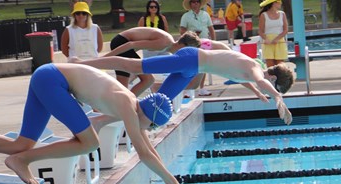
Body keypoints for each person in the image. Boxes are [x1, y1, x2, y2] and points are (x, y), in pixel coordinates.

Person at [0, 63, 188, 184]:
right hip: (53, 81)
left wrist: (91, 127)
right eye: (154, 126)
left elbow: (144, 146)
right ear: (149, 116)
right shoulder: (127, 105)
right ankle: (23, 161)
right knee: (90, 143)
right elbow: (143, 151)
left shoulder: (130, 109)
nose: (151, 131)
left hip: (48, 77)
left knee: (21, 144)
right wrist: (172, 181)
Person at [73, 46, 294, 125]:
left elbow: (249, 80)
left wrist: (258, 93)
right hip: (190, 59)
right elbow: (259, 79)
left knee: (156, 106)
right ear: (274, 80)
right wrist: (276, 96)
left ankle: (100, 120)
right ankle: (83, 64)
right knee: (136, 65)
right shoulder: (254, 68)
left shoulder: (252, 72)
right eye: (279, 88)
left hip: (191, 70)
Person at [85, 27, 201, 96]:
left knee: (123, 86)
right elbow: (131, 44)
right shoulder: (165, 43)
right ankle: (127, 104)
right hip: (122, 42)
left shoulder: (167, 45)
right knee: (148, 80)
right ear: (182, 44)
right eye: (188, 51)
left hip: (124, 44)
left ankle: (121, 103)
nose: (186, 56)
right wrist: (105, 58)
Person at [180, 0, 216, 97]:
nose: (195, 4)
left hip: (205, 42)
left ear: (200, 4)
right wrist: (191, 35)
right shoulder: (186, 16)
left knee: (204, 65)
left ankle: (202, 88)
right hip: (191, 43)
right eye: (193, 2)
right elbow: (182, 30)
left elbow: (211, 28)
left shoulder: (205, 14)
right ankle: (187, 89)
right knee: (192, 66)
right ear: (190, 4)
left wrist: (214, 42)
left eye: (197, 2)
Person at [137, 0, 170, 92]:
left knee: (165, 66)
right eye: (151, 7)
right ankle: (152, 89)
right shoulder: (143, 19)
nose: (153, 8)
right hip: (149, 48)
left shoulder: (162, 18)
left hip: (162, 47)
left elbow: (166, 31)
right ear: (148, 8)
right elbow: (139, 33)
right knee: (151, 68)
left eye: (155, 7)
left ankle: (165, 88)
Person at [258, 0, 288, 67]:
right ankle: (271, 77)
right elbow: (260, 31)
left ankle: (281, 77)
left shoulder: (282, 14)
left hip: (279, 41)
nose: (281, 3)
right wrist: (265, 39)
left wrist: (277, 39)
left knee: (280, 65)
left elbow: (285, 30)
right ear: (274, 3)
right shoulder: (263, 15)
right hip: (268, 42)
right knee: (270, 65)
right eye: (279, 2)